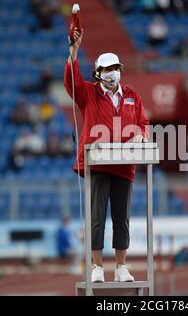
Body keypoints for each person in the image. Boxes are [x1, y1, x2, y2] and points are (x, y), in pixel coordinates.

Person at [64, 28, 149, 283]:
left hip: (125, 165)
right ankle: (97, 266)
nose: (114, 71)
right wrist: (74, 52)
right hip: (98, 165)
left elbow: (143, 121)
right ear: (99, 73)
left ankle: (122, 266)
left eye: (117, 67)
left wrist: (141, 135)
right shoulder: (88, 92)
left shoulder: (132, 95)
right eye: (109, 68)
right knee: (97, 217)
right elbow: (71, 82)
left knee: (121, 218)